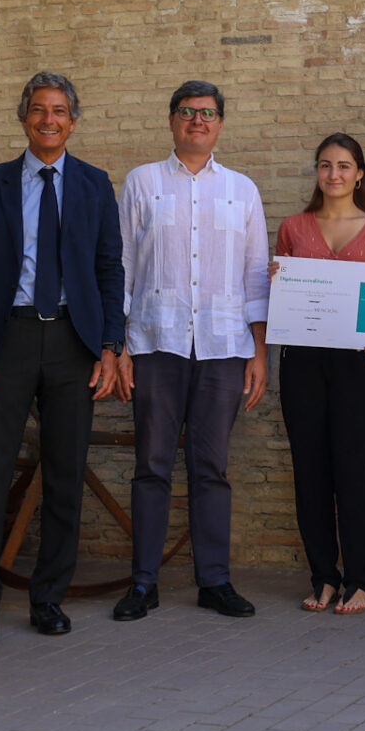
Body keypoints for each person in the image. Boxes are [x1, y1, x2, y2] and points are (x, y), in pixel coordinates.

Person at [0, 72, 123, 644]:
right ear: (23, 118)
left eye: (59, 112)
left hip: (74, 342)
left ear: (74, 120)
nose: (49, 120)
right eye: (38, 110)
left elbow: (109, 269)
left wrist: (110, 345)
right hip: (8, 342)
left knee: (67, 475)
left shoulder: (96, 186)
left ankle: (49, 598)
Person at [111, 81, 270, 623]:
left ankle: (215, 582)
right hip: (156, 342)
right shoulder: (141, 183)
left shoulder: (242, 190)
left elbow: (255, 277)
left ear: (221, 123)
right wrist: (121, 347)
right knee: (151, 465)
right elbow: (123, 269)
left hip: (225, 346)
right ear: (172, 121)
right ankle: (143, 583)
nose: (197, 121)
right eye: (187, 112)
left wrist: (259, 352)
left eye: (207, 113)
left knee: (212, 468)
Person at [274, 132, 365, 615]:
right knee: (309, 470)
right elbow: (282, 295)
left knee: (351, 468)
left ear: (360, 173)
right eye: (325, 165)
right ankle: (323, 576)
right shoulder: (293, 227)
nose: (334, 174)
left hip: (353, 361)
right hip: (301, 360)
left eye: (344, 166)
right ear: (317, 172)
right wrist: (277, 283)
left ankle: (360, 579)